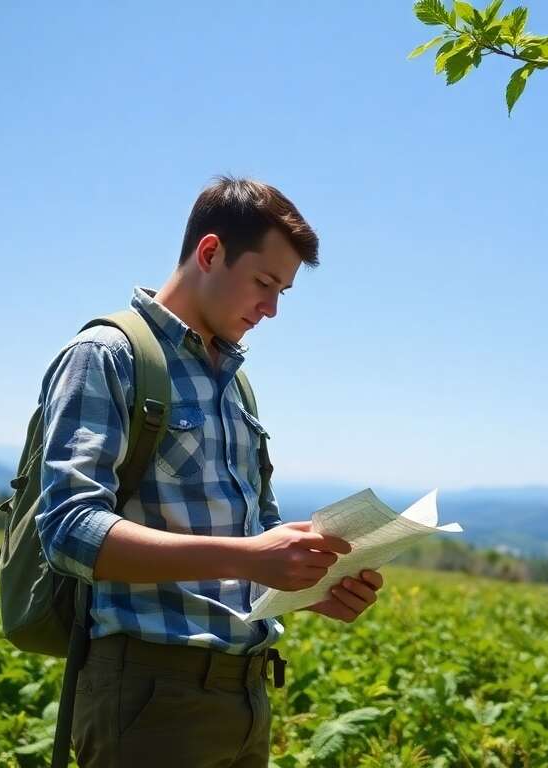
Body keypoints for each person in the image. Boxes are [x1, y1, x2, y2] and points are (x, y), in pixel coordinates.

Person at [34, 176, 383, 766]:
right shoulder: (108, 356)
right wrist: (250, 557)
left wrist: (310, 583)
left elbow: (252, 531)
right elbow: (68, 529)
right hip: (152, 694)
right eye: (265, 283)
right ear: (210, 253)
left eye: (284, 292)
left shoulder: (236, 384)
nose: (272, 308)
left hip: (246, 694)